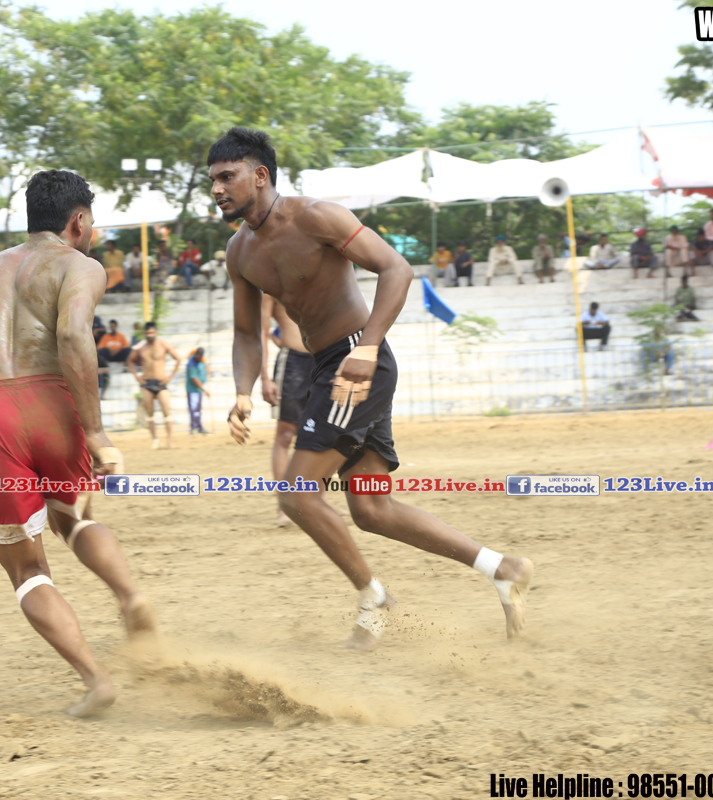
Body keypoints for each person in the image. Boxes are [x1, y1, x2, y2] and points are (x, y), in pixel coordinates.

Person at [210, 126, 533, 649]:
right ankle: (503, 569)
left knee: (296, 494)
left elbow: (396, 269)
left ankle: (373, 598)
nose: (218, 189)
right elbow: (247, 334)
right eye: (213, 180)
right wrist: (243, 391)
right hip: (328, 368)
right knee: (371, 509)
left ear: (260, 175)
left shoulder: (317, 216)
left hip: (357, 361)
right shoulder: (238, 251)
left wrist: (368, 346)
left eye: (228, 177)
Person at [0, 169, 155, 716]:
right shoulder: (79, 264)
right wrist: (95, 431)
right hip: (51, 401)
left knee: (27, 571)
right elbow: (71, 333)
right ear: (78, 220)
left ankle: (96, 681)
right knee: (73, 517)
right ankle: (130, 596)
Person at [260, 294, 316, 526]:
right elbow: (261, 331)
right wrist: (265, 378)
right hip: (293, 362)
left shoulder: (317, 277)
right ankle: (284, 506)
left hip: (324, 360)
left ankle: (317, 500)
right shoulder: (270, 287)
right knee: (285, 435)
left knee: (321, 437)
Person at [126, 321, 181, 449]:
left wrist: (170, 376)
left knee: (166, 411)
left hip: (161, 382)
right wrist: (136, 376)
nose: (149, 335)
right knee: (150, 413)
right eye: (147, 333)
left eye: (151, 332)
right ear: (144, 333)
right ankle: (155, 441)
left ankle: (169, 441)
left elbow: (178, 358)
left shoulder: (164, 345)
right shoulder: (140, 347)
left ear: (156, 332)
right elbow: (129, 361)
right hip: (147, 383)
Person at [96, 320, 131, 397]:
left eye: (114, 326)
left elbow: (126, 346)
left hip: (119, 355)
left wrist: (118, 349)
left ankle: (126, 367)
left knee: (128, 350)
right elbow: (100, 347)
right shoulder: (106, 336)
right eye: (111, 326)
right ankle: (102, 366)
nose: (112, 327)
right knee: (99, 351)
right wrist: (107, 348)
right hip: (108, 355)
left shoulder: (121, 336)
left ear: (116, 327)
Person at [185, 347, 210, 434]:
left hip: (198, 390)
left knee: (198, 409)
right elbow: (194, 379)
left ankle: (199, 427)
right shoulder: (191, 364)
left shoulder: (201, 360)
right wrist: (204, 389)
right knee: (194, 409)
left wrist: (207, 369)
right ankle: (194, 427)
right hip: (193, 390)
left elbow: (205, 367)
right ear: (195, 355)